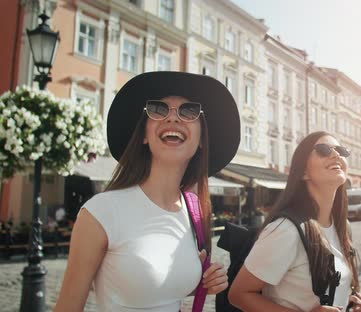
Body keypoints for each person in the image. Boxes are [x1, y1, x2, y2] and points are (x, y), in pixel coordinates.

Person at [55, 71, 240, 311]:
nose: (173, 118)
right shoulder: (101, 211)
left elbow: (159, 288)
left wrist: (205, 282)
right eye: (159, 109)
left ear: (202, 139)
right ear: (143, 134)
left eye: (189, 111)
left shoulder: (193, 211)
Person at [228, 131, 361, 312]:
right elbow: (239, 294)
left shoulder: (342, 226)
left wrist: (348, 300)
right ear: (303, 173)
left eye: (341, 150)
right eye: (323, 150)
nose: (336, 154)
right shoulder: (285, 230)